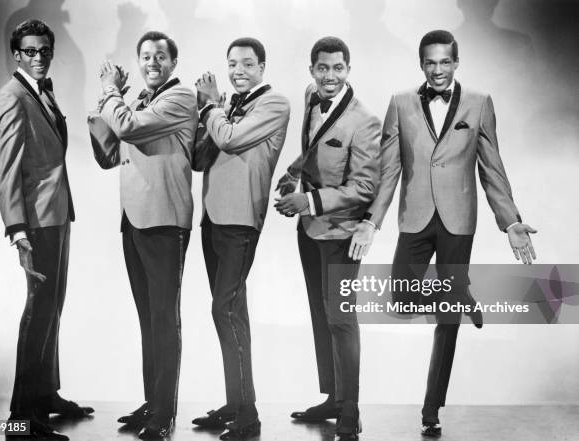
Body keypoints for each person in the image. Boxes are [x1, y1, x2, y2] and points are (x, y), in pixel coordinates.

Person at [349, 30, 537, 437]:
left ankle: (431, 409)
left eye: (445, 61)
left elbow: (492, 167)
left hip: (458, 219)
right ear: (421, 64)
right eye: (430, 62)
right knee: (400, 296)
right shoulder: (400, 103)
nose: (438, 69)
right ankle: (459, 291)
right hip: (415, 217)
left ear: (456, 62)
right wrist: (371, 220)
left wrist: (511, 221)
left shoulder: (479, 102)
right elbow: (388, 171)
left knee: (447, 320)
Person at [87, 31, 197, 439]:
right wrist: (107, 103)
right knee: (148, 322)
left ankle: (164, 415)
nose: (152, 62)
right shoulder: (136, 101)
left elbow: (129, 128)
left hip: (165, 222)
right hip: (133, 221)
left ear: (173, 63)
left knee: (165, 322)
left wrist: (110, 92)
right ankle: (152, 403)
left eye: (160, 56)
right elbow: (107, 154)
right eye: (146, 56)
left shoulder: (179, 97)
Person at [275, 36, 381, 441]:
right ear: (312, 71)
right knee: (321, 316)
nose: (330, 76)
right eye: (323, 68)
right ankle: (333, 398)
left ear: (348, 70)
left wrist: (310, 200)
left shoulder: (365, 121)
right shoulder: (310, 96)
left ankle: (350, 411)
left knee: (341, 320)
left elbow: (364, 186)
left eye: (338, 68)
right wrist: (292, 172)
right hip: (309, 230)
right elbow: (314, 145)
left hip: (341, 234)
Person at [0, 19, 93, 441]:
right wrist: (18, 230)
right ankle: (22, 418)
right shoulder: (10, 97)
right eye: (30, 51)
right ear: (17, 55)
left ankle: (46, 394)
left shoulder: (41, 91)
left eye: (44, 51)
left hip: (57, 215)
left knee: (51, 308)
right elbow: (7, 169)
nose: (38, 57)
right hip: (35, 223)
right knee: (38, 313)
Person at [191, 37, 290, 440]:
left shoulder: (274, 103)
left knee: (224, 310)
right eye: (232, 64)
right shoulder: (226, 107)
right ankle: (236, 403)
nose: (237, 72)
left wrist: (210, 105)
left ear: (262, 67)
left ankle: (247, 414)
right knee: (234, 312)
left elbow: (229, 140)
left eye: (247, 65)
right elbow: (200, 159)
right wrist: (210, 112)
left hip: (241, 220)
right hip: (213, 217)